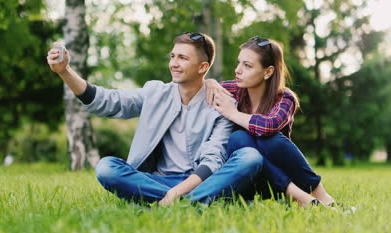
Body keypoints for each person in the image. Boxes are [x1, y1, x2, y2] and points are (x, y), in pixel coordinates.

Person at [47, 32, 263, 206]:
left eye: (183, 58)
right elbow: (108, 101)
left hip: (199, 180)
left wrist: (179, 191)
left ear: (202, 68)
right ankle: (196, 202)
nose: (174, 64)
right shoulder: (155, 92)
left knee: (250, 158)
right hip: (156, 179)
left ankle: (178, 200)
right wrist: (65, 71)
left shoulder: (221, 104)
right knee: (106, 168)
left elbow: (213, 159)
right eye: (173, 56)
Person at [206, 36, 337, 208]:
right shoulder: (232, 90)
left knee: (269, 139)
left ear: (268, 72)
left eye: (247, 65)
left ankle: (320, 194)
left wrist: (233, 114)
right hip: (245, 181)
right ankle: (301, 198)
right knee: (239, 138)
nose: (238, 70)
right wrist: (209, 82)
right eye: (239, 63)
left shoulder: (284, 97)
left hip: (276, 183)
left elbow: (269, 126)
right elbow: (193, 87)